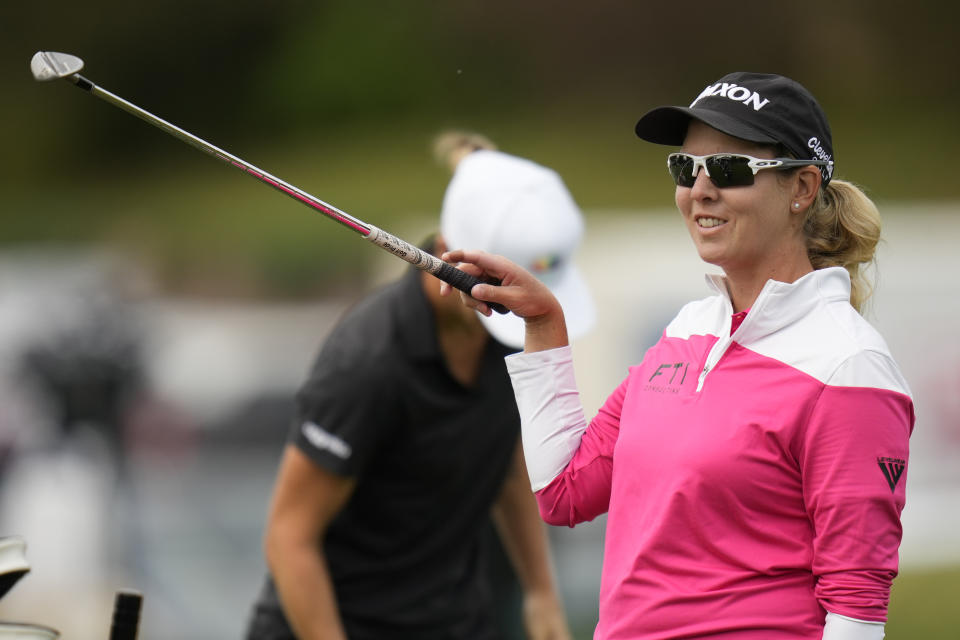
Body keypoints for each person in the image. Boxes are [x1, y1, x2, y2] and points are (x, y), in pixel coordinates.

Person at [442, 72, 914, 639]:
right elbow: (564, 490)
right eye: (685, 169)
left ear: (803, 189)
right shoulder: (690, 329)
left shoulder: (849, 365)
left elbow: (856, 608)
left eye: (731, 169)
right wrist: (544, 325)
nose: (701, 190)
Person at [244, 132, 595, 640]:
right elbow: (289, 537)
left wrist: (541, 593)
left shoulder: (507, 327)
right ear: (444, 256)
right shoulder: (367, 363)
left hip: (451, 621)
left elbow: (507, 459)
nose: (515, 314)